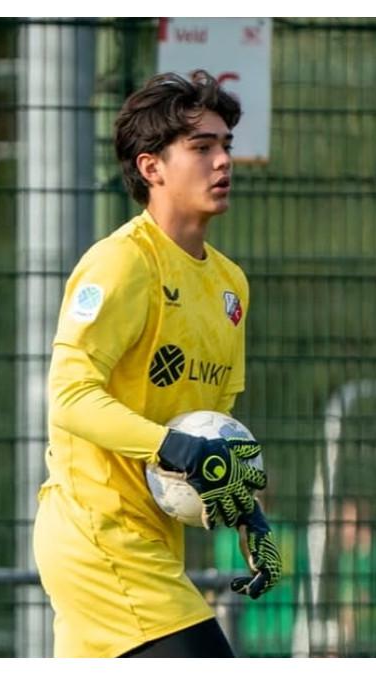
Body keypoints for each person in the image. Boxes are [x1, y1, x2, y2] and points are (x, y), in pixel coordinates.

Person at [32, 70, 282, 658]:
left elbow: (209, 426)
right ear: (152, 168)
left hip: (152, 540)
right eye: (201, 148)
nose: (223, 161)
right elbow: (68, 398)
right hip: (98, 535)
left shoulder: (230, 286)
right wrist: (172, 447)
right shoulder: (120, 265)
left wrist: (246, 507)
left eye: (226, 146)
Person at [213, 495, 302, 656]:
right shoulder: (287, 531)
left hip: (243, 627)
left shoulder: (228, 537)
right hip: (284, 629)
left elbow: (224, 581)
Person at [332, 498, 376, 657]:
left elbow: (364, 600)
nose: (342, 530)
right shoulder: (343, 559)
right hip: (349, 642)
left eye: (348, 523)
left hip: (373, 642)